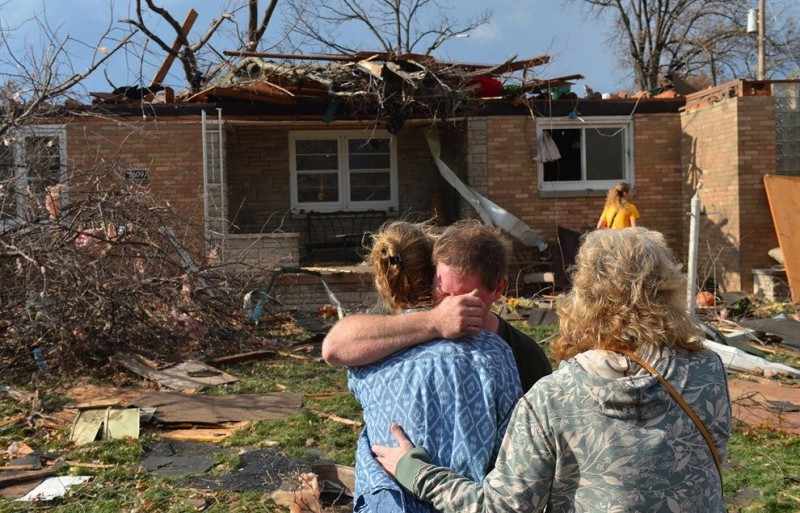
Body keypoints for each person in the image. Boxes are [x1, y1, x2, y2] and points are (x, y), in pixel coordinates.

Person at [373, 227, 732, 513]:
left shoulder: (552, 397)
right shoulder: (707, 372)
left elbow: (502, 507)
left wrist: (416, 471)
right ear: (669, 288)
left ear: (584, 297)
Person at [349, 220, 522, 513]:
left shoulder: (370, 348)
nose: (454, 311)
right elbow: (512, 454)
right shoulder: (495, 354)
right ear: (432, 276)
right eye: (447, 296)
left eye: (465, 299)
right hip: (464, 502)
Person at [322, 219, 552, 392]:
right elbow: (335, 349)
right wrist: (433, 322)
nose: (450, 306)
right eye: (442, 292)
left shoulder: (524, 355)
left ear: (499, 289)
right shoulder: (407, 319)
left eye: (463, 295)